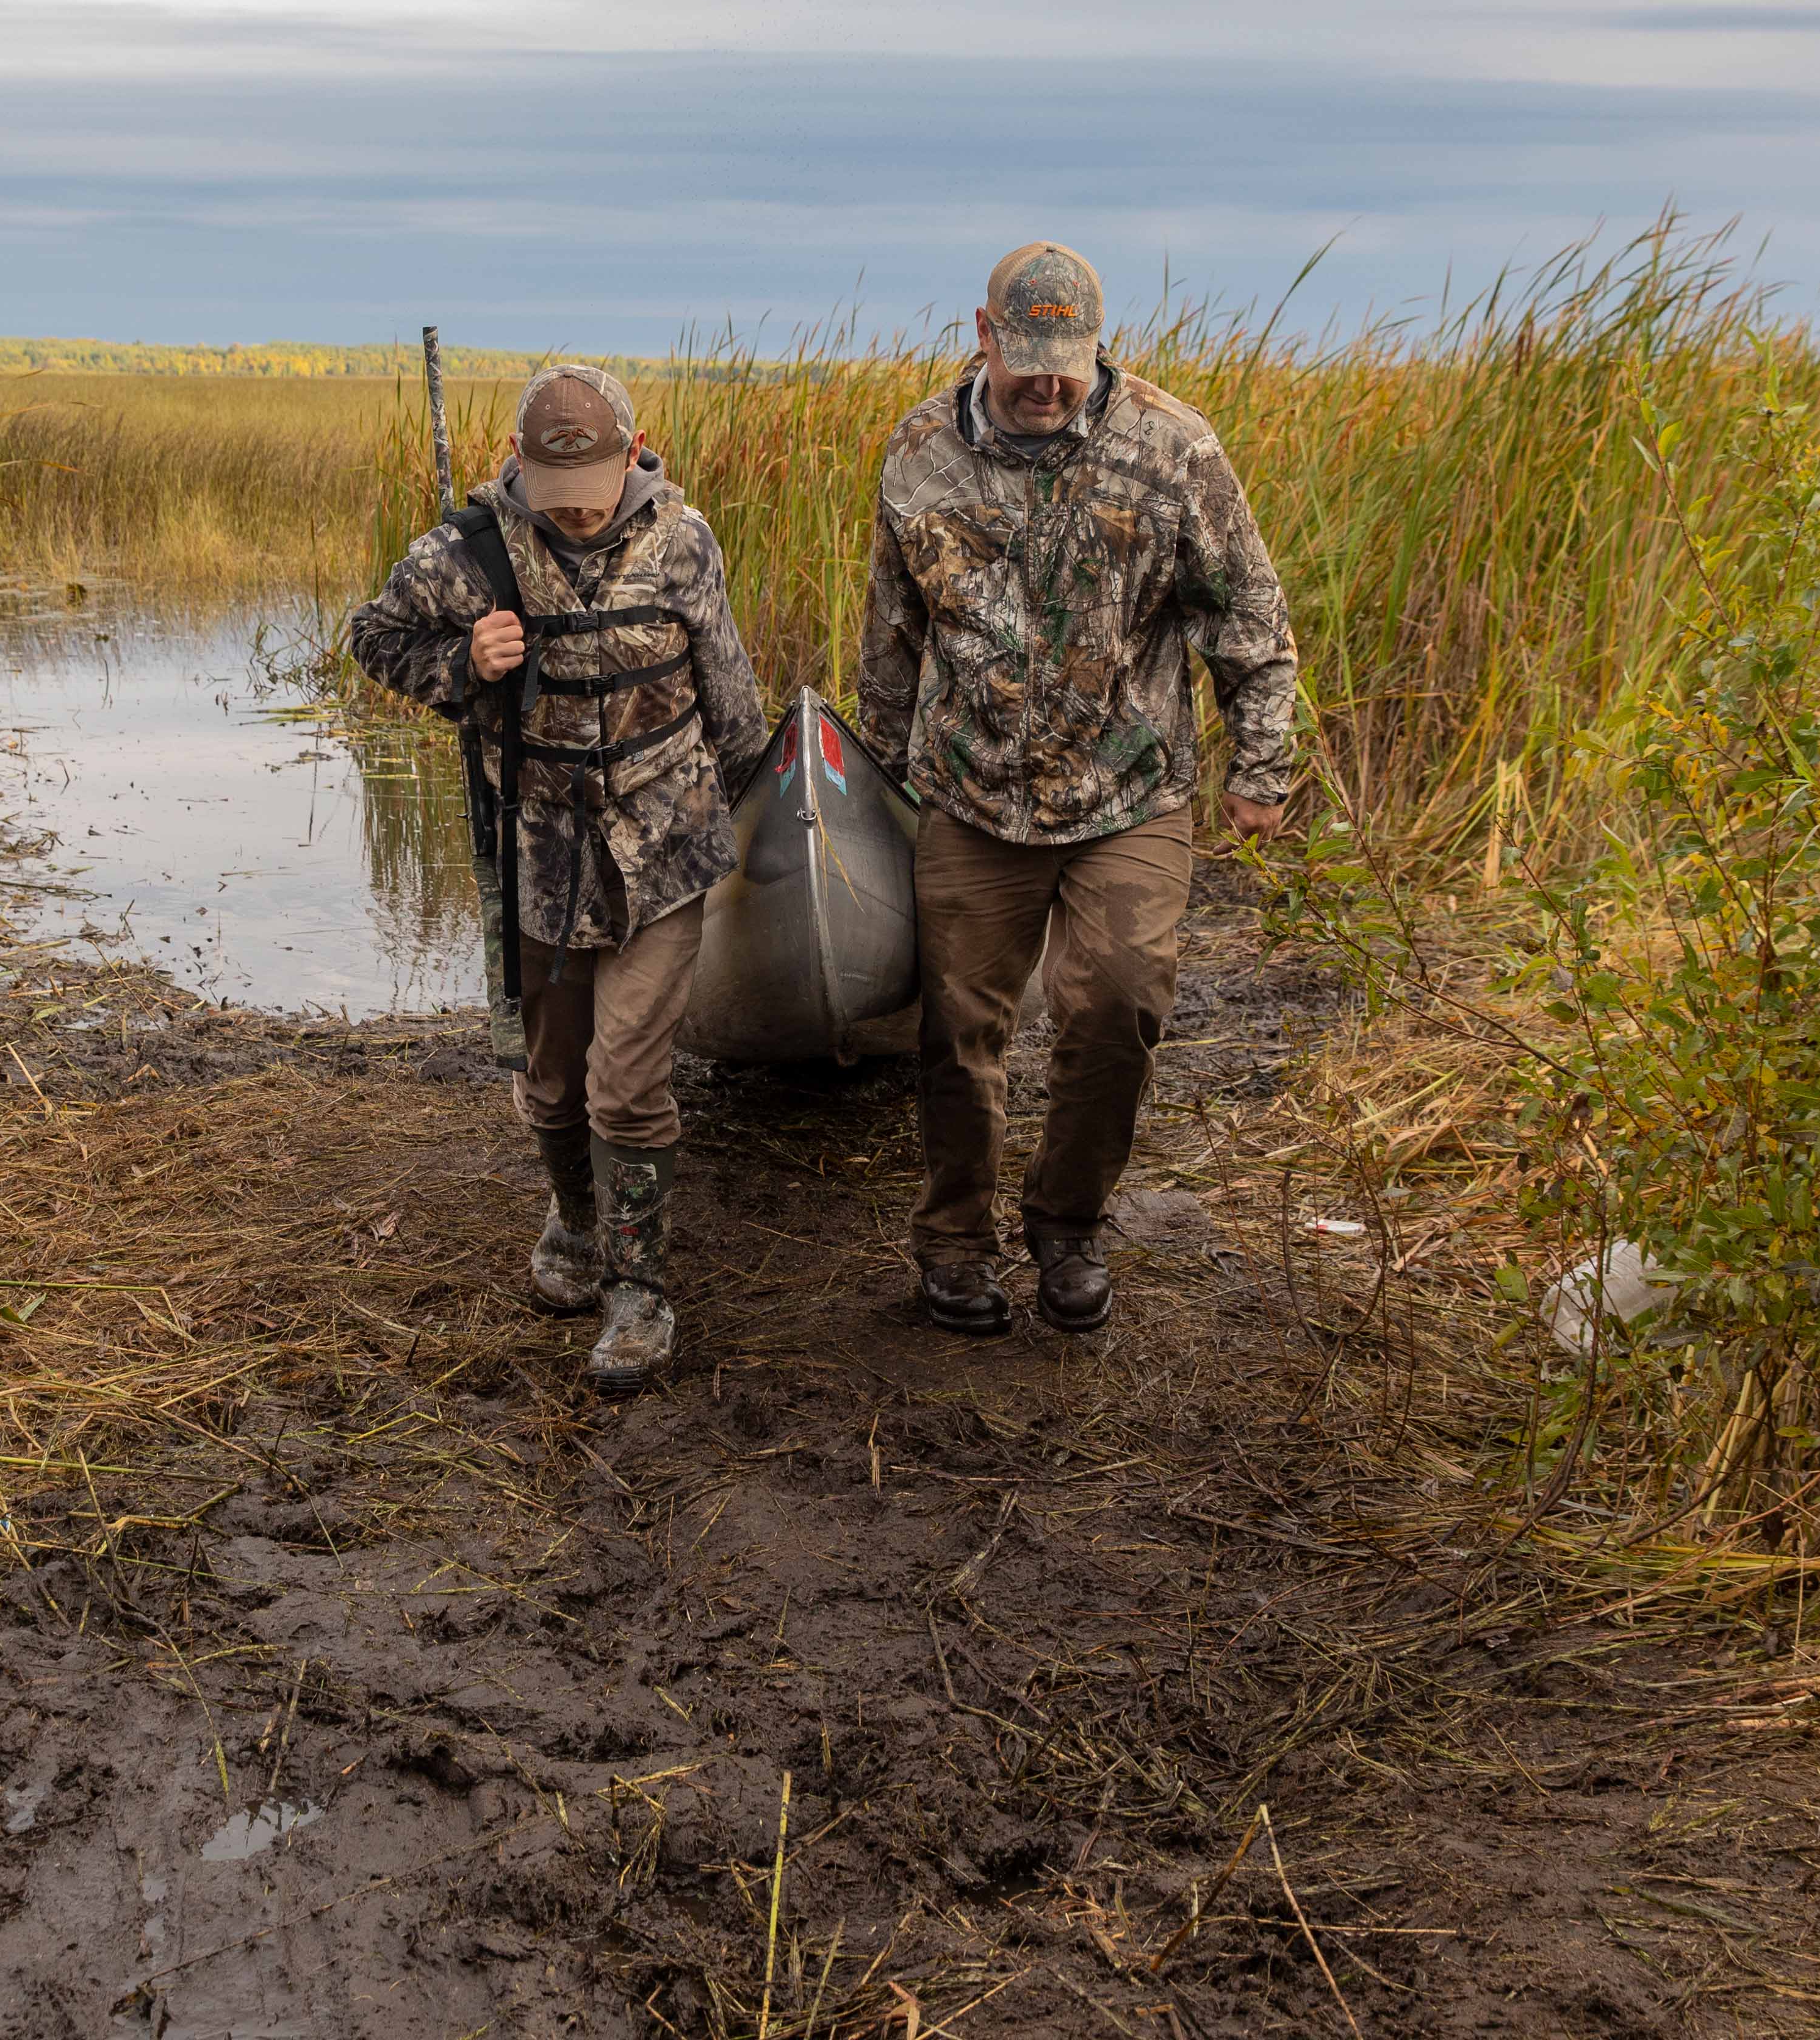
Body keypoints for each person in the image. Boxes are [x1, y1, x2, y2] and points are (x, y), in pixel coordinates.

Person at [857, 243, 1301, 1334]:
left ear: (1098, 345)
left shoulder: (1174, 447)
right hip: (972, 793)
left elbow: (1249, 615)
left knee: (1120, 1004)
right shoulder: (918, 456)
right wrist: (874, 777)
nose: (1048, 383)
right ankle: (956, 1242)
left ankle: (1068, 1223)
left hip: (1131, 787)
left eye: (1069, 359)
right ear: (982, 333)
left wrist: (1263, 765)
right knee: (958, 1029)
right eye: (1027, 359)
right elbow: (892, 630)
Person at [349, 364, 773, 1395]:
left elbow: (732, 699)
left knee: (627, 1085)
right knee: (550, 1082)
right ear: (519, 460)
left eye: (587, 487)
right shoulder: (471, 552)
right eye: (551, 489)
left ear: (634, 454)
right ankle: (575, 1219)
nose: (571, 510)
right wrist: (465, 665)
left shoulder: (685, 541)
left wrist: (761, 827)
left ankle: (639, 1288)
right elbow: (373, 638)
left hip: (663, 855)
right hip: (539, 857)